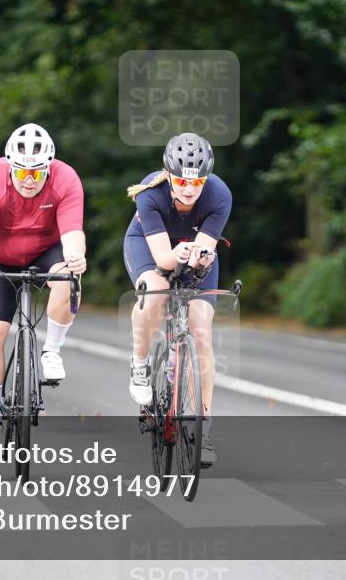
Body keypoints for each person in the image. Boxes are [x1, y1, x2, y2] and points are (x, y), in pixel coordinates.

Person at [0, 123, 86, 452]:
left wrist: (76, 256)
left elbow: (73, 233)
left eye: (37, 173)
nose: (29, 180)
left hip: (47, 251)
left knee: (67, 274)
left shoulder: (65, 179)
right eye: (21, 173)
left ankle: (52, 350)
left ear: (49, 167)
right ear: (9, 166)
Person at [123, 133, 231, 468]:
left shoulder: (219, 194)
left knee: (200, 333)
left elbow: (203, 249)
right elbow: (164, 261)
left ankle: (203, 427)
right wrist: (178, 255)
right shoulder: (150, 193)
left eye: (197, 181)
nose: (189, 189)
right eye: (182, 181)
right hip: (150, 248)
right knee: (155, 294)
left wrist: (199, 258)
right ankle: (140, 365)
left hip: (192, 250)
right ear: (169, 175)